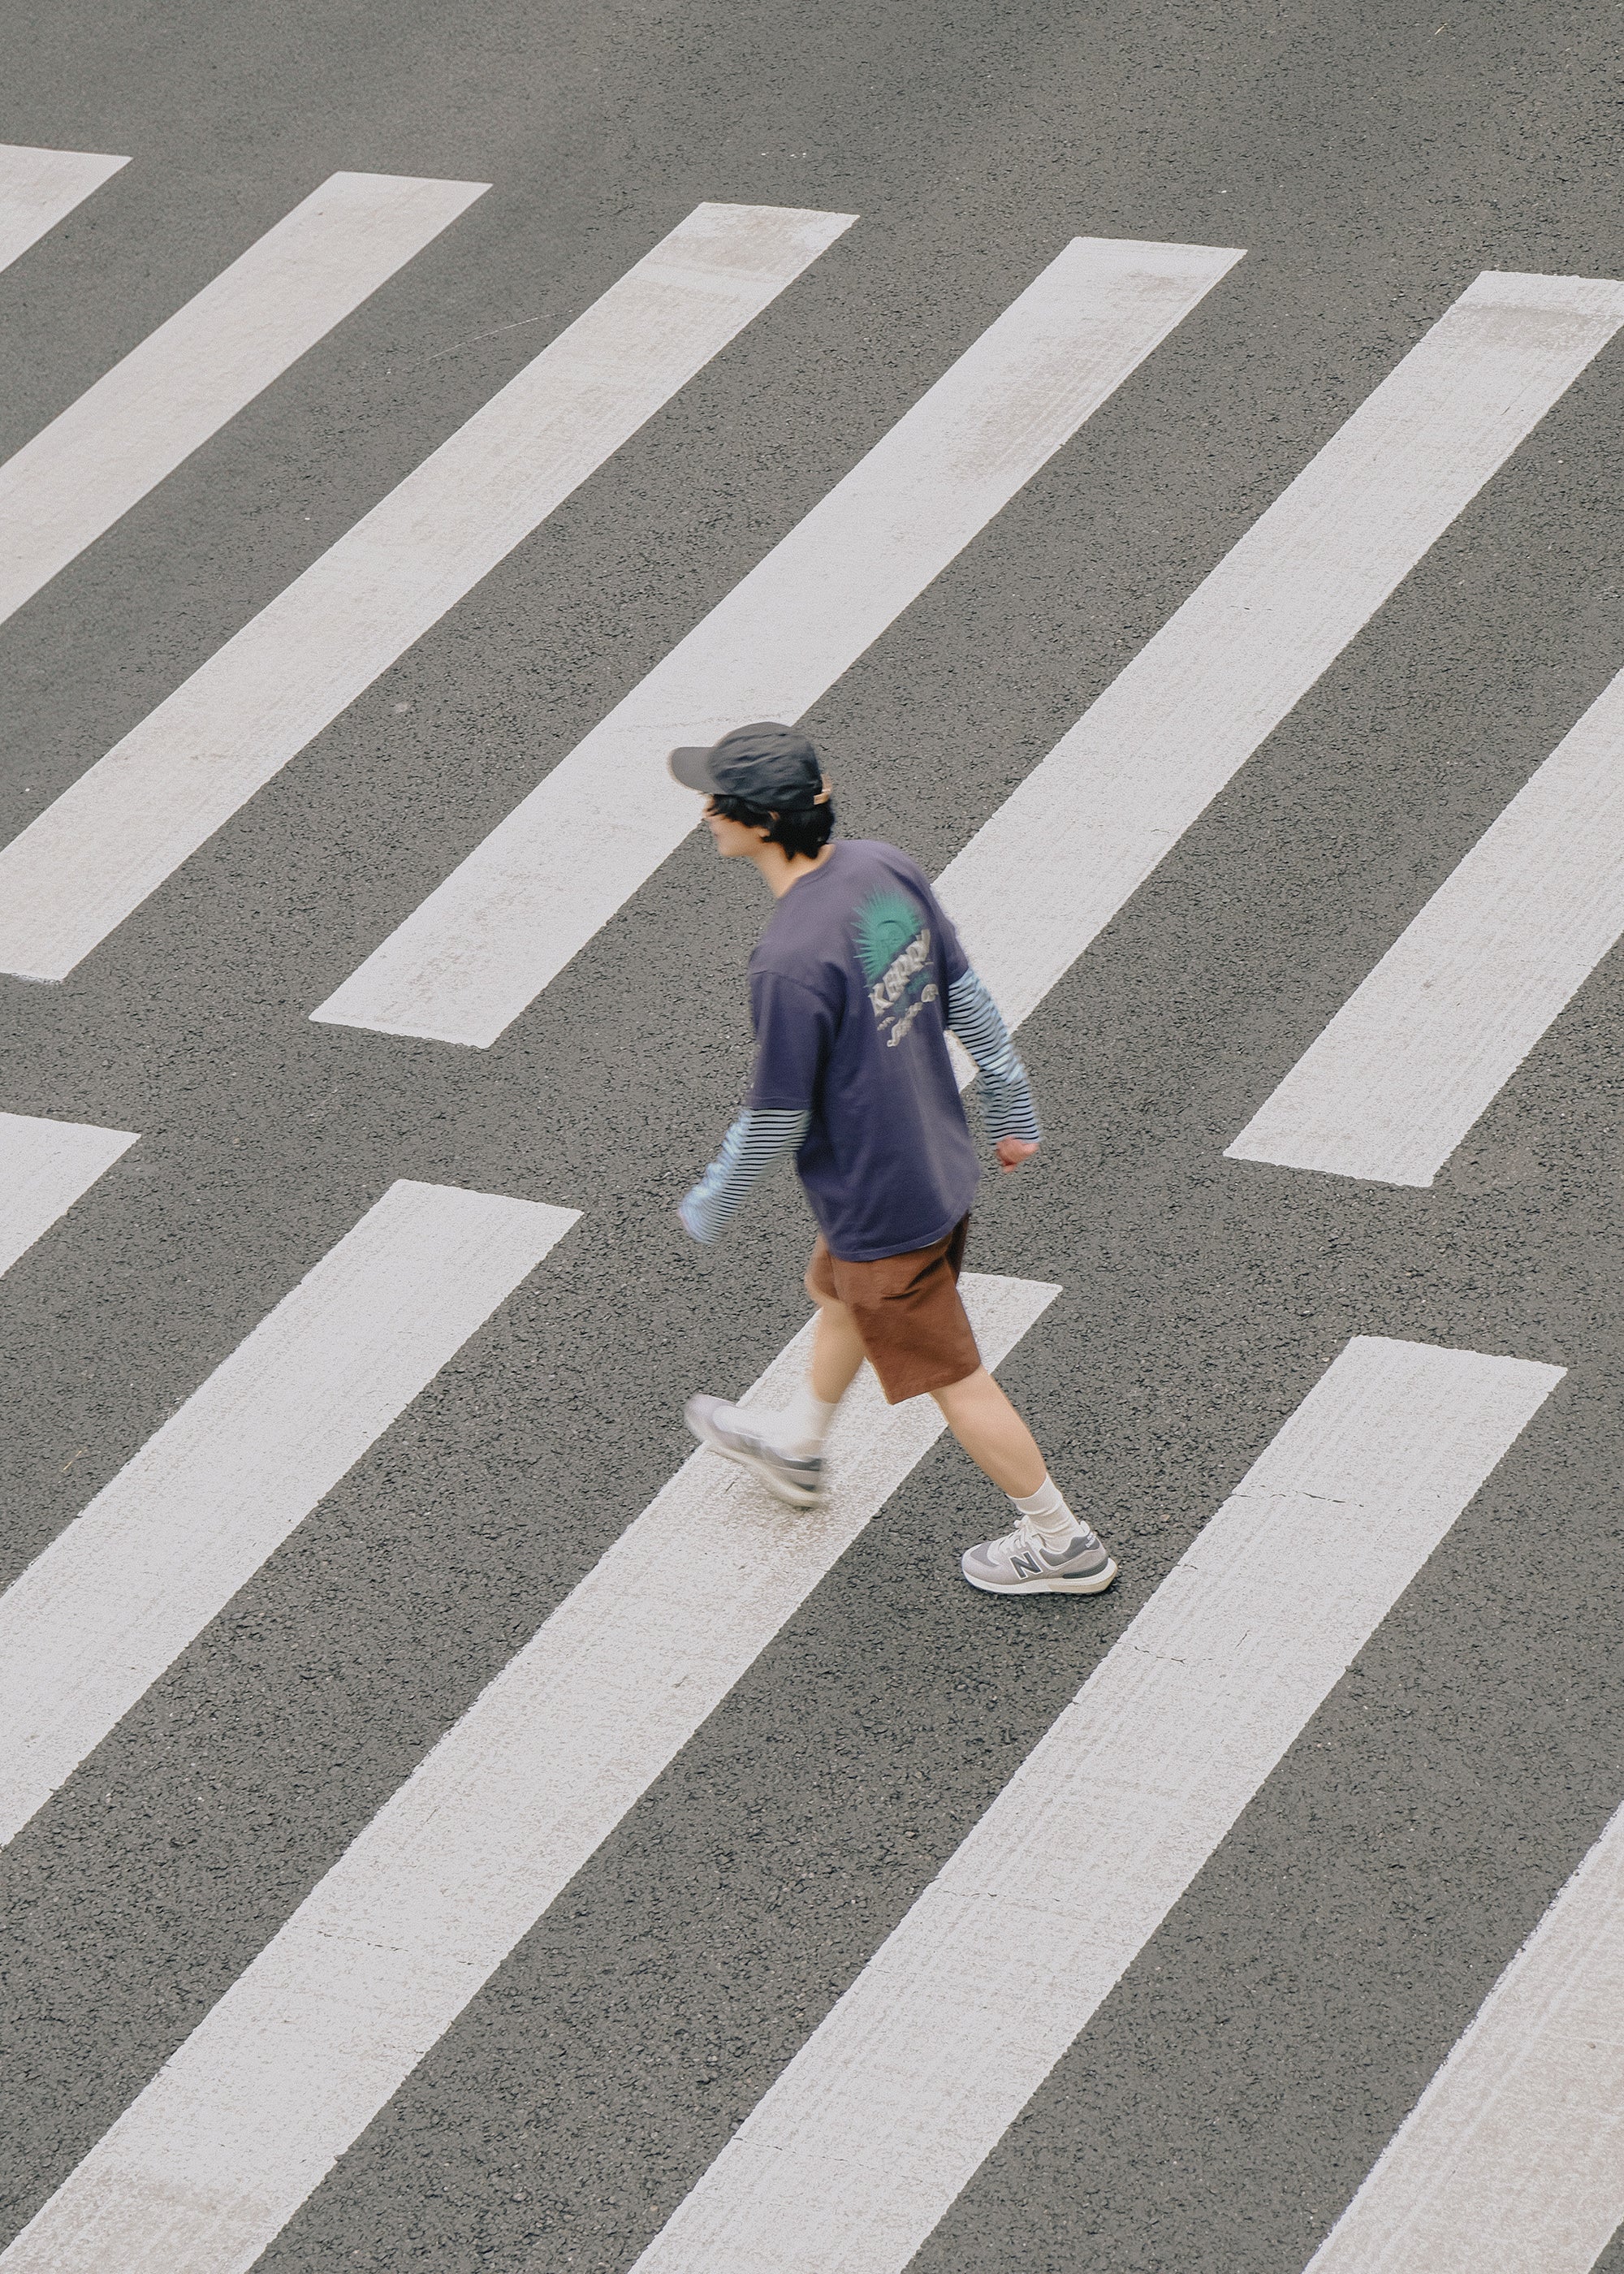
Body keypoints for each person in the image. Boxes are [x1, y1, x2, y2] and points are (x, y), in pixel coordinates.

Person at [668, 720, 1116, 1597]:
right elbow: (964, 995)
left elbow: (774, 1117)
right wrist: (1012, 1106)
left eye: (716, 802)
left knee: (953, 1374)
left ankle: (1061, 1543)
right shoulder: (879, 868)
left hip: (881, 1196)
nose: (704, 816)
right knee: (838, 1290)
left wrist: (713, 1201)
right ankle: (797, 1446)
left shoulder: (790, 961)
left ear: (758, 822)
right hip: (932, 1159)